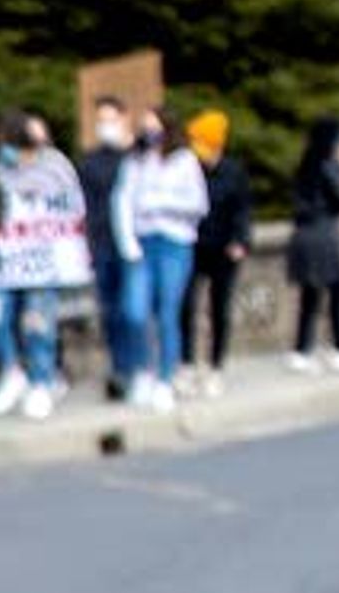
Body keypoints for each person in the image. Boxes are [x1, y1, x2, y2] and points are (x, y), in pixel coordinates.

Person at [114, 112, 208, 407]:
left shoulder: (184, 161)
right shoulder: (134, 163)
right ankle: (143, 369)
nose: (149, 133)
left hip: (173, 241)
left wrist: (162, 204)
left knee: (168, 311)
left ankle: (166, 377)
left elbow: (198, 204)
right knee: (135, 311)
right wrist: (127, 241)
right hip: (143, 242)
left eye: (154, 127)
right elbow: (122, 200)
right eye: (144, 128)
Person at [0, 114, 78, 415]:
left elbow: (70, 209)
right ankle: (11, 372)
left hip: (42, 261)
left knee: (38, 322)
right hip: (7, 262)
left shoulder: (54, 167)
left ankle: (42, 380)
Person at [181, 110, 252, 395]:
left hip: (223, 247)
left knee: (219, 308)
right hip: (195, 245)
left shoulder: (234, 172)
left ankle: (215, 366)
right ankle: (186, 363)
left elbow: (243, 209)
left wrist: (240, 241)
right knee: (186, 307)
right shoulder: (188, 169)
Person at [286, 111, 339, 371]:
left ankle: (301, 350)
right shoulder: (328, 167)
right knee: (338, 290)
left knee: (310, 295)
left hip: (303, 233)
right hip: (323, 233)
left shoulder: (305, 164)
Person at [77, 102, 137, 396]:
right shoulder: (90, 162)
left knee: (133, 310)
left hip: (133, 245)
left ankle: (136, 366)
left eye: (111, 119)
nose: (106, 125)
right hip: (103, 244)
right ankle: (120, 368)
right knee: (111, 311)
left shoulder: (136, 158)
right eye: (101, 120)